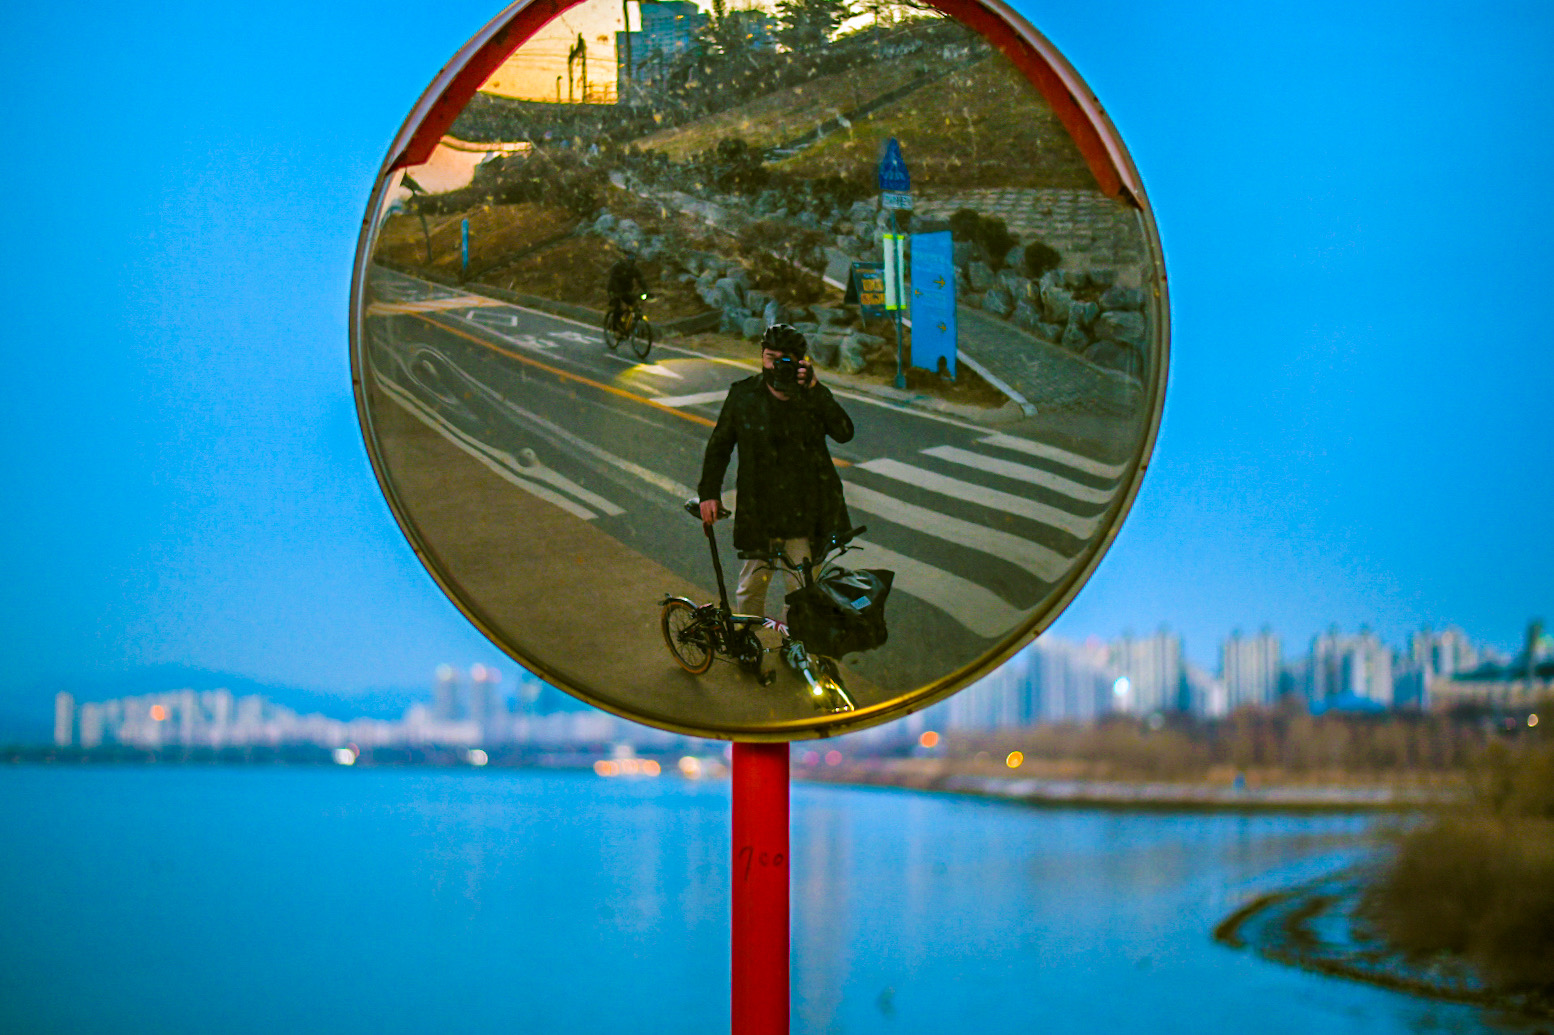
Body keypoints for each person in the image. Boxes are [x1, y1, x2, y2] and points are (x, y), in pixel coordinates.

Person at [698, 323, 855, 620]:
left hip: (804, 513)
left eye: (785, 359)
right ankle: (748, 637)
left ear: (800, 362)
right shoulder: (744, 395)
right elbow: (719, 446)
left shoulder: (812, 397)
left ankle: (794, 639)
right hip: (760, 510)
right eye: (770, 357)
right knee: (752, 586)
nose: (776, 366)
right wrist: (709, 493)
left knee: (803, 591)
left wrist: (816, 389)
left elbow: (845, 432)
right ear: (761, 357)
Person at [605, 250, 648, 332]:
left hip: (626, 291)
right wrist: (616, 292)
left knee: (634, 305)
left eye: (633, 258)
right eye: (629, 257)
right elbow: (613, 280)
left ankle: (627, 323)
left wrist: (646, 291)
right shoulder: (618, 266)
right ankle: (615, 327)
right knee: (617, 306)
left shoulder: (634, 269)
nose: (631, 260)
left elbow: (641, 280)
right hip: (614, 289)